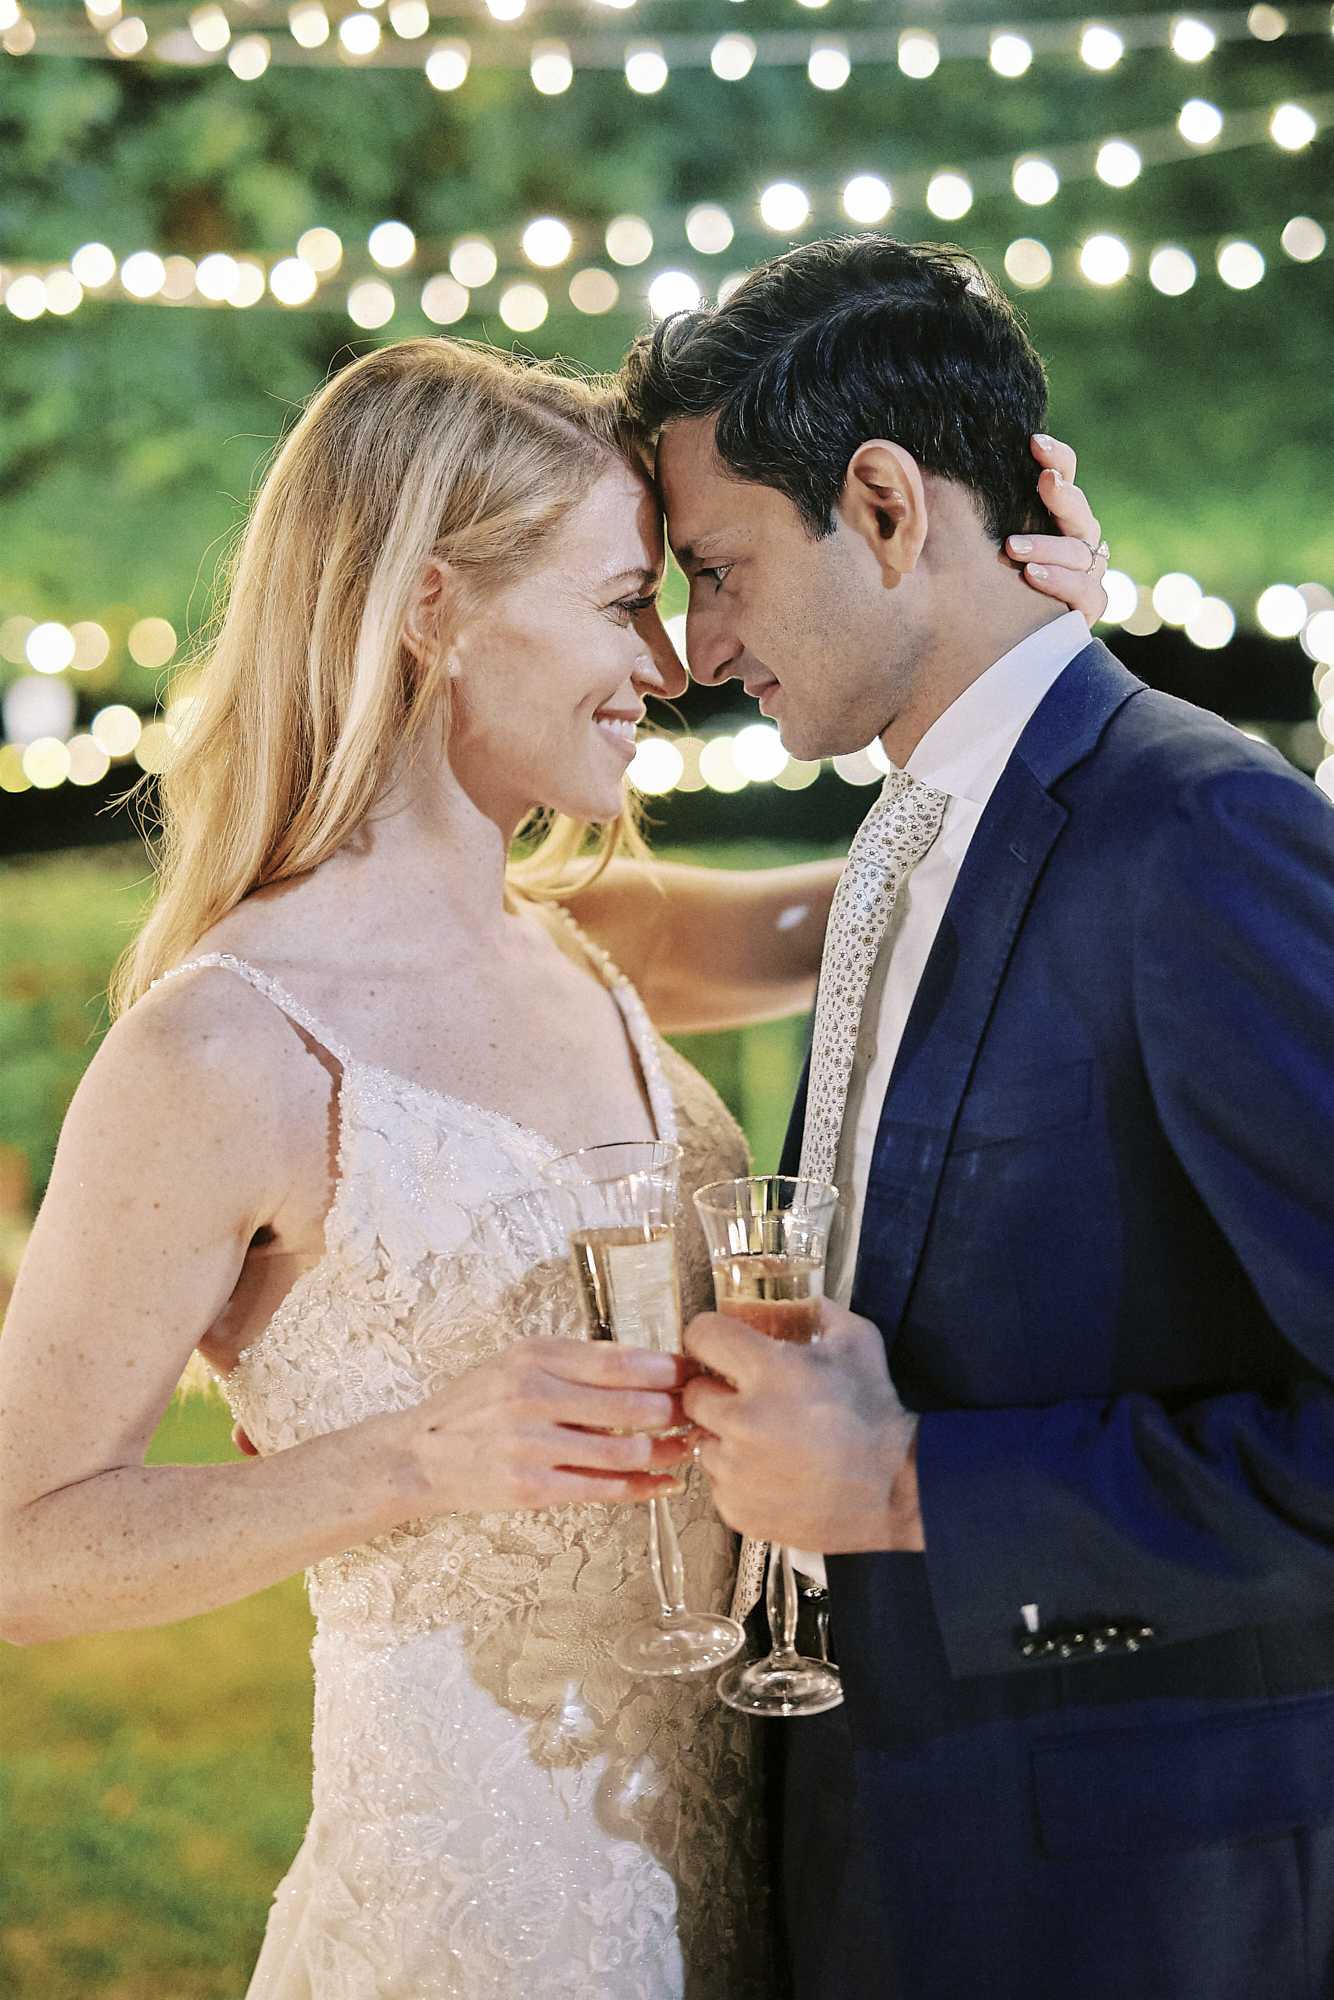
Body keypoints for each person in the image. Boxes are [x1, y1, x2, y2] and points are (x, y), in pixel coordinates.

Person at [0, 334, 1103, 1998]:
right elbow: (23, 1550)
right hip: (481, 1909)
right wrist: (408, 1461)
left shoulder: (594, 941)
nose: (667, 664)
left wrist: (1026, 651)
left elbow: (908, 880)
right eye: (617, 604)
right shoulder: (221, 1049)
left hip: (755, 1862)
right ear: (433, 606)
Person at [625, 234, 1334, 2000]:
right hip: (883, 1846)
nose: (698, 650)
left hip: (1128, 1909)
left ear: (880, 503)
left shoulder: (1196, 836)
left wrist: (916, 1483)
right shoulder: (919, 821)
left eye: (714, 571)